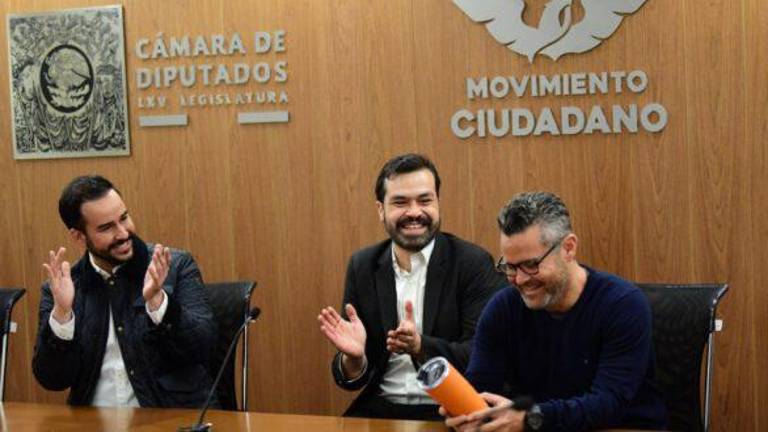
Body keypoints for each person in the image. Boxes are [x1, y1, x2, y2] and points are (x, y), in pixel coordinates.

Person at [442, 191, 667, 431]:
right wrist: (467, 411)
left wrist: (531, 419)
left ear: (568, 248)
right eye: (510, 266)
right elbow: (481, 389)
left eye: (531, 265)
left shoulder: (622, 305)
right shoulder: (502, 309)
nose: (518, 279)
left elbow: (607, 405)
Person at [318, 153, 505, 420]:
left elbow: (481, 354)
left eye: (425, 200)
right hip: (381, 408)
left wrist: (420, 346)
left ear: (438, 203)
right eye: (400, 202)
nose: (414, 212)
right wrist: (355, 360)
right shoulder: (364, 265)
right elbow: (352, 377)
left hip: (449, 410)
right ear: (381, 209)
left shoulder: (472, 263)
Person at [32, 175, 217, 408]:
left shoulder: (175, 266)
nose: (123, 233)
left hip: (168, 418)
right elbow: (52, 380)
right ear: (79, 237)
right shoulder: (63, 289)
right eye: (107, 227)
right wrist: (62, 316)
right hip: (93, 422)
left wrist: (159, 303)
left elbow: (204, 348)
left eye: (124, 218)